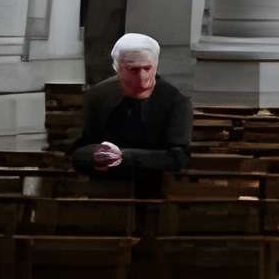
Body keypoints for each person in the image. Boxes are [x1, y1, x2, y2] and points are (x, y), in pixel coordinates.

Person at [69, 34, 191, 195]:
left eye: (147, 68)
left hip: (156, 189)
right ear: (117, 67)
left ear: (156, 65)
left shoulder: (175, 100)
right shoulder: (98, 96)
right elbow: (76, 149)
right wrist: (96, 154)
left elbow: (178, 157)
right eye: (133, 70)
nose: (142, 78)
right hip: (103, 188)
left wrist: (123, 157)